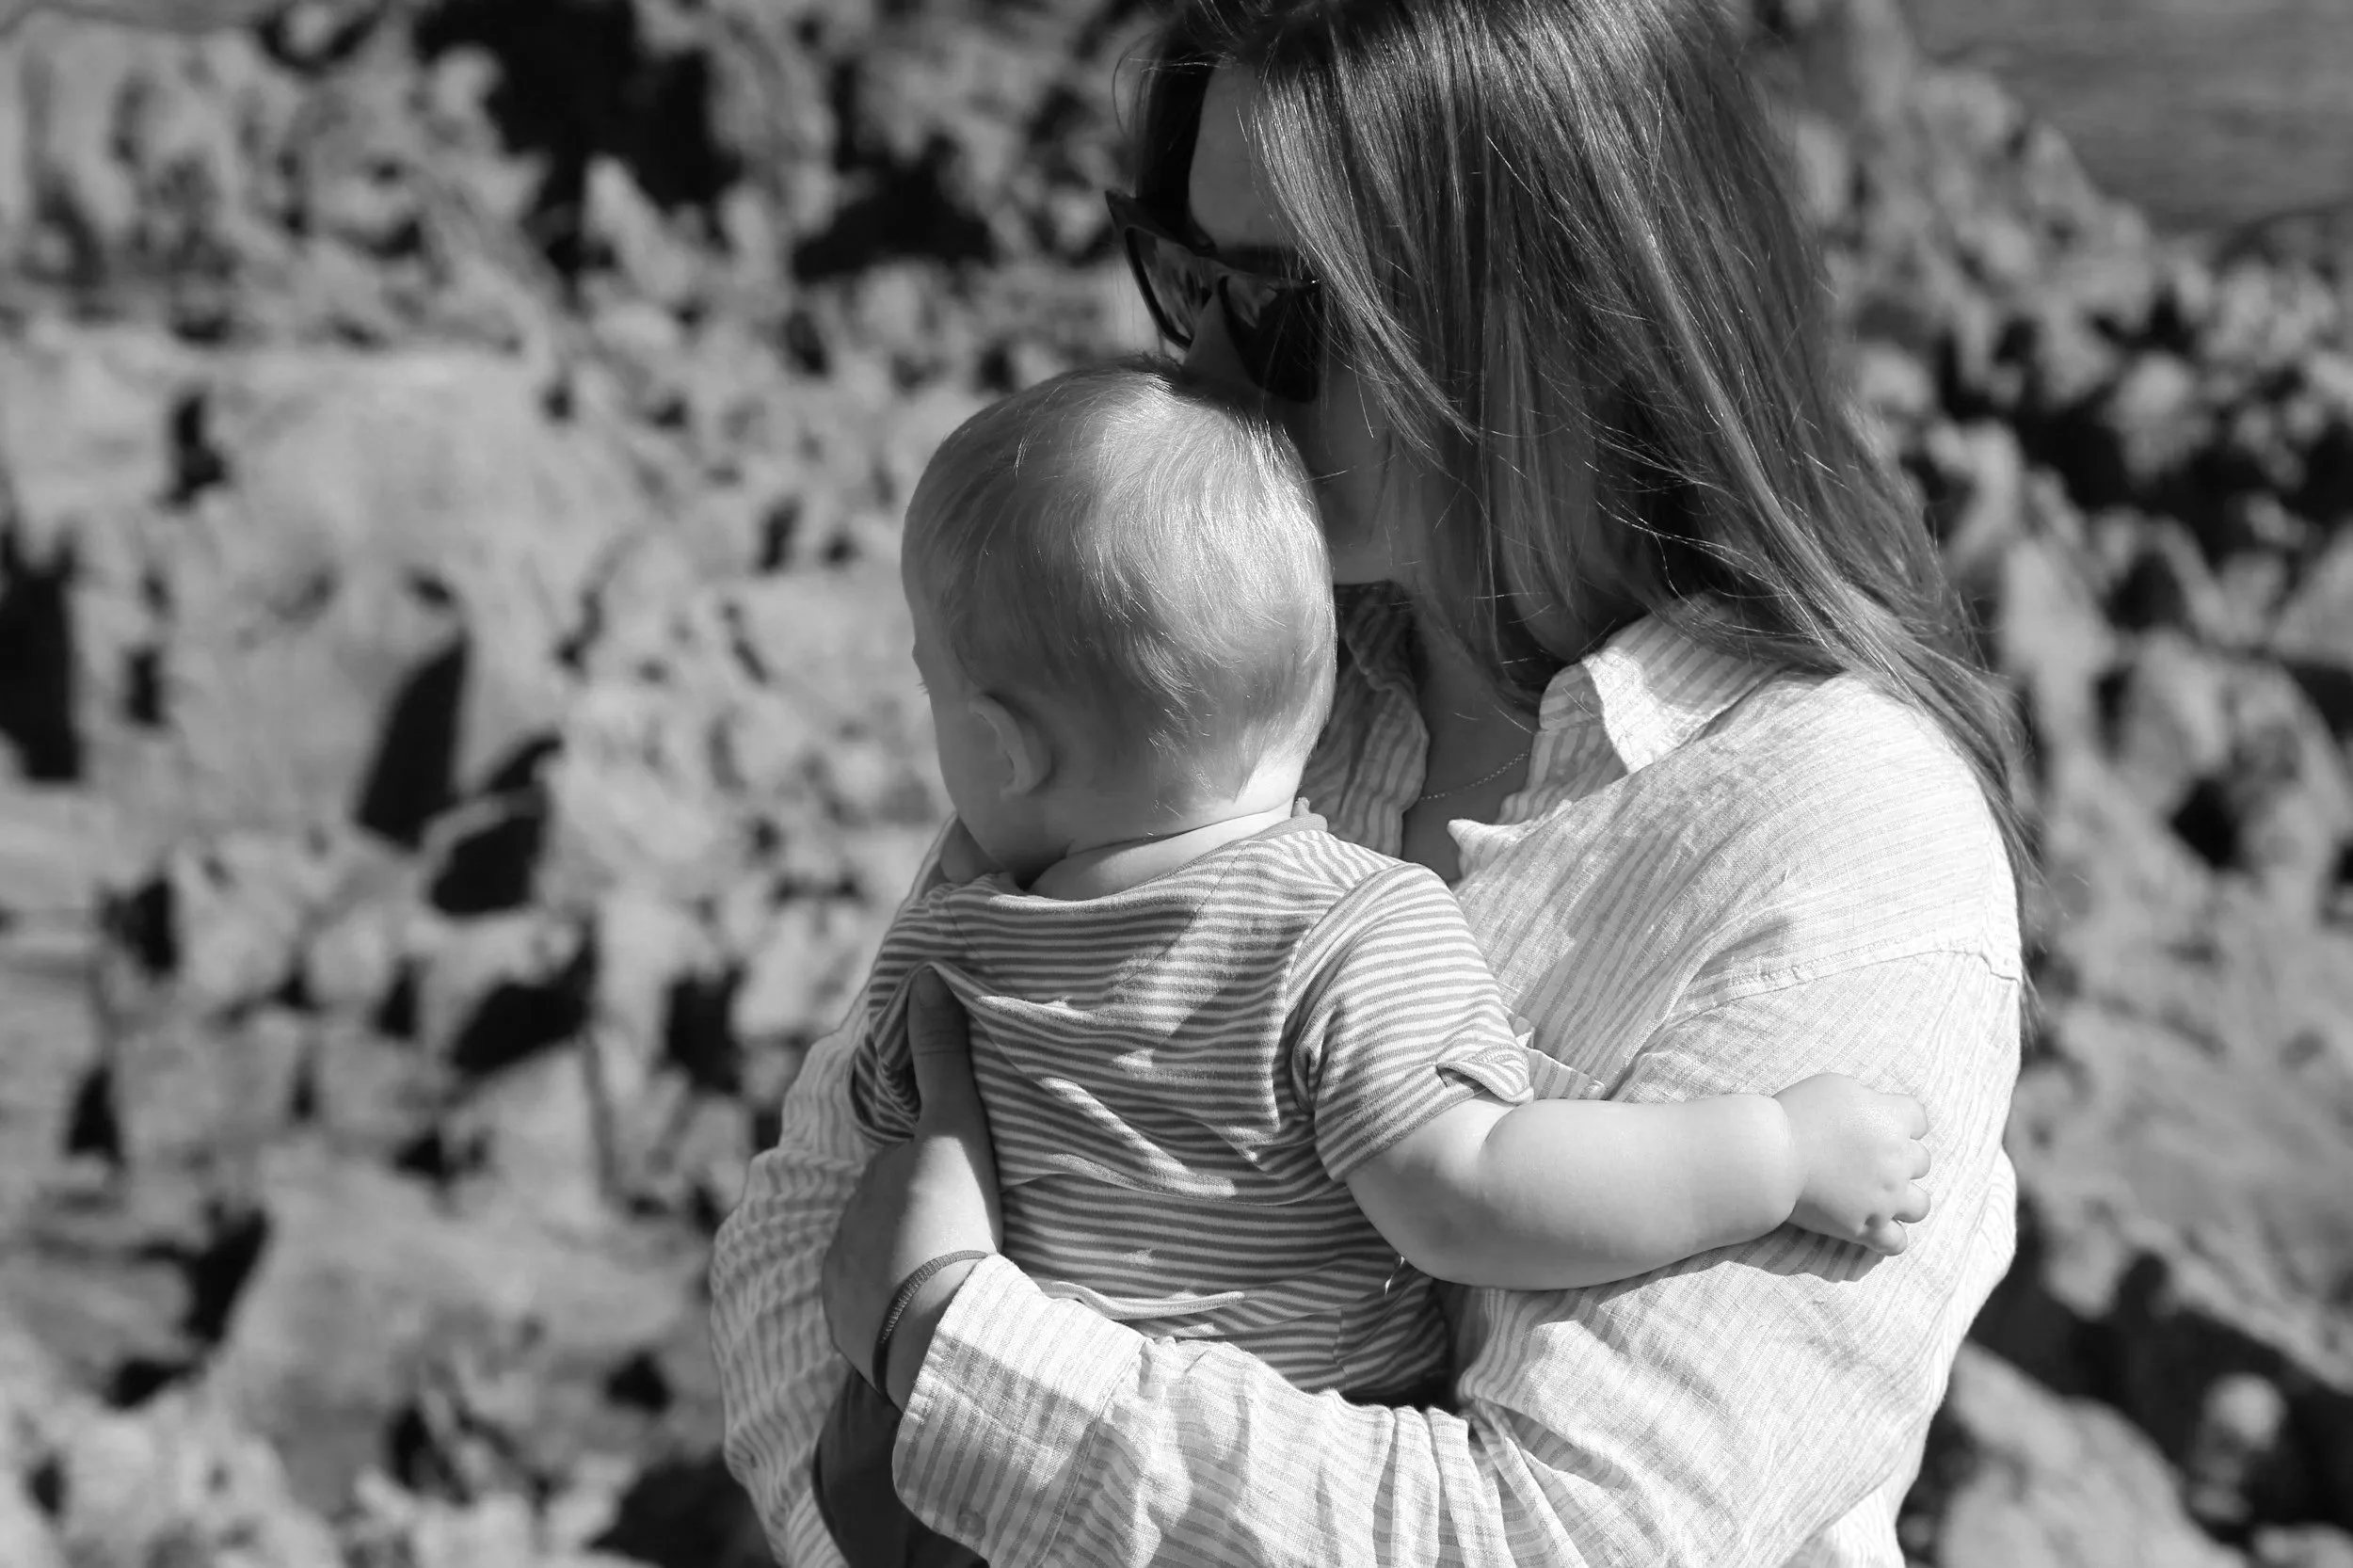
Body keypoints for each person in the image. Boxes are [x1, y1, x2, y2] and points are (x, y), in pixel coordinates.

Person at [712, 0, 2028, 1562]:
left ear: (1566, 321)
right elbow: (788, 1253)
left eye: (1279, 310)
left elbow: (1554, 1538)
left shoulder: (1840, 851)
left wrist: (954, 1350)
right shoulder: (1203, 665)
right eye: (1179, 270)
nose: (1198, 368)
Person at [807, 360, 1934, 1568]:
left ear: (999, 745)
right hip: (1244, 1498)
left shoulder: (951, 941)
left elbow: (866, 1181)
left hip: (930, 1494)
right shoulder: (1344, 931)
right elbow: (1474, 1189)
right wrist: (1772, 1152)